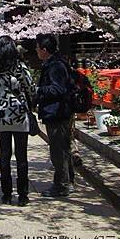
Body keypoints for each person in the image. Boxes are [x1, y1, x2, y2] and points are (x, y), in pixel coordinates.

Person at [0, 36, 36, 206]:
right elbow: (31, 87)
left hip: (1, 114)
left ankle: (6, 194)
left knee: (5, 154)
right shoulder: (19, 67)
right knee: (21, 155)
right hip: (18, 112)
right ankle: (23, 195)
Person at [35, 33, 73, 198]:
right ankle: (67, 181)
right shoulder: (53, 63)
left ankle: (61, 185)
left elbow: (58, 89)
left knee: (58, 151)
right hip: (57, 112)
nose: (35, 50)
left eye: (37, 47)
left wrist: (39, 90)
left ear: (44, 49)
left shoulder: (55, 66)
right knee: (62, 149)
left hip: (58, 112)